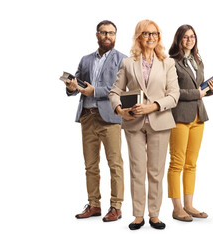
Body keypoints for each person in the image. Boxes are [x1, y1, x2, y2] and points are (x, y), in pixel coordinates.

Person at [109, 19, 179, 230]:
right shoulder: (128, 63)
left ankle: (154, 215)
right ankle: (138, 215)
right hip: (134, 124)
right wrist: (119, 110)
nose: (151, 37)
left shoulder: (168, 63)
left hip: (160, 122)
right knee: (137, 170)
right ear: (139, 37)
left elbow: (174, 95)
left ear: (159, 37)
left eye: (155, 34)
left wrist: (154, 106)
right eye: (146, 34)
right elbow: (115, 92)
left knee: (156, 171)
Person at [63, 20, 127, 222]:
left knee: (114, 164)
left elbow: (123, 91)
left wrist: (95, 91)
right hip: (87, 116)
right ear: (97, 35)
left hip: (110, 118)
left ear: (115, 36)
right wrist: (72, 88)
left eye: (112, 33)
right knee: (90, 165)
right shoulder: (86, 59)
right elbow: (76, 86)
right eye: (104, 33)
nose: (108, 36)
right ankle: (94, 204)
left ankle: (116, 207)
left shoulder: (123, 60)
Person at [167, 24, 213, 222]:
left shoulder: (197, 60)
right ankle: (177, 208)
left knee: (191, 164)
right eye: (185, 37)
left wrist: (212, 88)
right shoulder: (171, 62)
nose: (189, 40)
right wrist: (197, 93)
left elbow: (200, 88)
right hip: (180, 117)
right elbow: (171, 92)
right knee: (177, 163)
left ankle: (189, 205)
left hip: (198, 117)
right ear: (179, 39)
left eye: (192, 37)